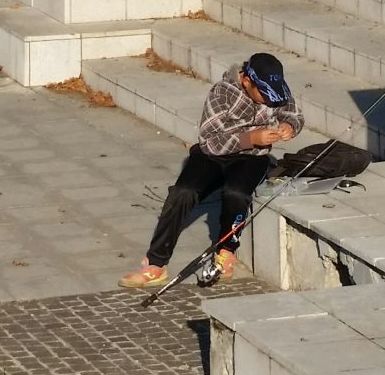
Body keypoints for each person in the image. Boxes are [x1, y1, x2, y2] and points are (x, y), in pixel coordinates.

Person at [119, 52, 304, 289]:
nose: (270, 102)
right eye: (265, 96)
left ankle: (226, 249)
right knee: (182, 193)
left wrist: (290, 126)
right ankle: (156, 263)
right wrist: (251, 137)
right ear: (247, 81)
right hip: (213, 155)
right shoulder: (222, 93)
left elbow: (293, 113)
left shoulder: (276, 93)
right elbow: (208, 142)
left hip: (252, 158)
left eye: (274, 97)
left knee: (236, 194)